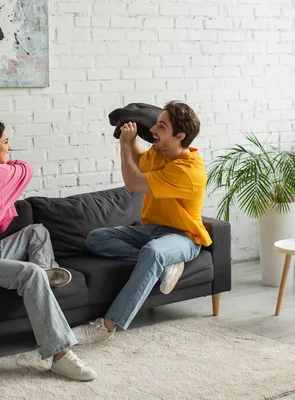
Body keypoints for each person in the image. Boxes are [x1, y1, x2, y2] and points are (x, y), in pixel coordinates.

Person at [0, 119, 96, 381]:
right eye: (6, 142)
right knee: (30, 275)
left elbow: (17, 167)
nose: (11, 148)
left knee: (37, 231)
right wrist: (7, 163)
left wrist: (2, 159)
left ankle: (44, 271)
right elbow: (26, 169)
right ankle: (60, 355)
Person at [72, 101, 213, 344]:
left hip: (183, 237)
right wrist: (130, 138)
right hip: (151, 231)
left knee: (153, 251)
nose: (154, 130)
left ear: (179, 136)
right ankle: (164, 263)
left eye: (161, 126)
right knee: (97, 238)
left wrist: (125, 144)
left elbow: (133, 183)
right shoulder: (160, 153)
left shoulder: (188, 170)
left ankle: (107, 326)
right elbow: (140, 160)